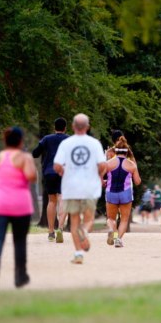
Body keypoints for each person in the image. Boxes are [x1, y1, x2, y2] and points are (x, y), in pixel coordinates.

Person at [0, 127, 37, 289]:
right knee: (19, 241)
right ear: (21, 141)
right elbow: (31, 176)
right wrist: (30, 164)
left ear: (5, 141)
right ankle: (20, 276)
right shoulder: (24, 157)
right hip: (20, 205)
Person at [53, 113, 106, 264]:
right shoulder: (95, 143)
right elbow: (102, 165)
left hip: (71, 188)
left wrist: (63, 172)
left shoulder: (66, 144)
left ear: (73, 126)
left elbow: (56, 165)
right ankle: (85, 231)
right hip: (89, 187)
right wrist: (98, 174)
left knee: (74, 221)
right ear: (88, 127)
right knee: (88, 219)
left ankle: (78, 254)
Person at [32, 117, 69, 243]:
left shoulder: (47, 139)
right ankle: (60, 228)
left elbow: (35, 153)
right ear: (65, 128)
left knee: (52, 200)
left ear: (55, 127)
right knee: (62, 198)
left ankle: (51, 232)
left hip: (49, 171)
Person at [105, 136, 141, 247]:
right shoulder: (131, 165)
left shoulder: (108, 163)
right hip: (125, 194)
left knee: (111, 218)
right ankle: (118, 240)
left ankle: (112, 230)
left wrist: (103, 181)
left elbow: (99, 176)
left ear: (115, 150)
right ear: (127, 152)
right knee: (124, 219)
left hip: (111, 193)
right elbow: (137, 182)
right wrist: (134, 166)